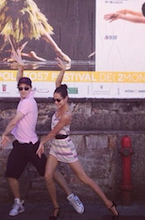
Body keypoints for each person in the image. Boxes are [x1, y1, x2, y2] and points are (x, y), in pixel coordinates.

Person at [1, 52, 83, 217]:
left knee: (51, 172)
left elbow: (13, 122)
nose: (23, 90)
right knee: (10, 174)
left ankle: (71, 196)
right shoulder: (25, 97)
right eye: (21, 88)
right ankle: (18, 203)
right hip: (19, 145)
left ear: (30, 90)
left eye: (26, 88)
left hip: (32, 146)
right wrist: (21, 66)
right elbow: (20, 79)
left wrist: (4, 134)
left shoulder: (28, 102)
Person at [36, 58, 119, 219]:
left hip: (65, 146)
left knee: (83, 178)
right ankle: (56, 207)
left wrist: (42, 142)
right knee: (47, 176)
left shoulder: (67, 115)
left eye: (58, 100)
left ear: (66, 99)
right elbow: (59, 83)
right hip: (55, 147)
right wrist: (63, 70)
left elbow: (54, 132)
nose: (56, 102)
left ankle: (108, 203)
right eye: (54, 100)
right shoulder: (59, 102)